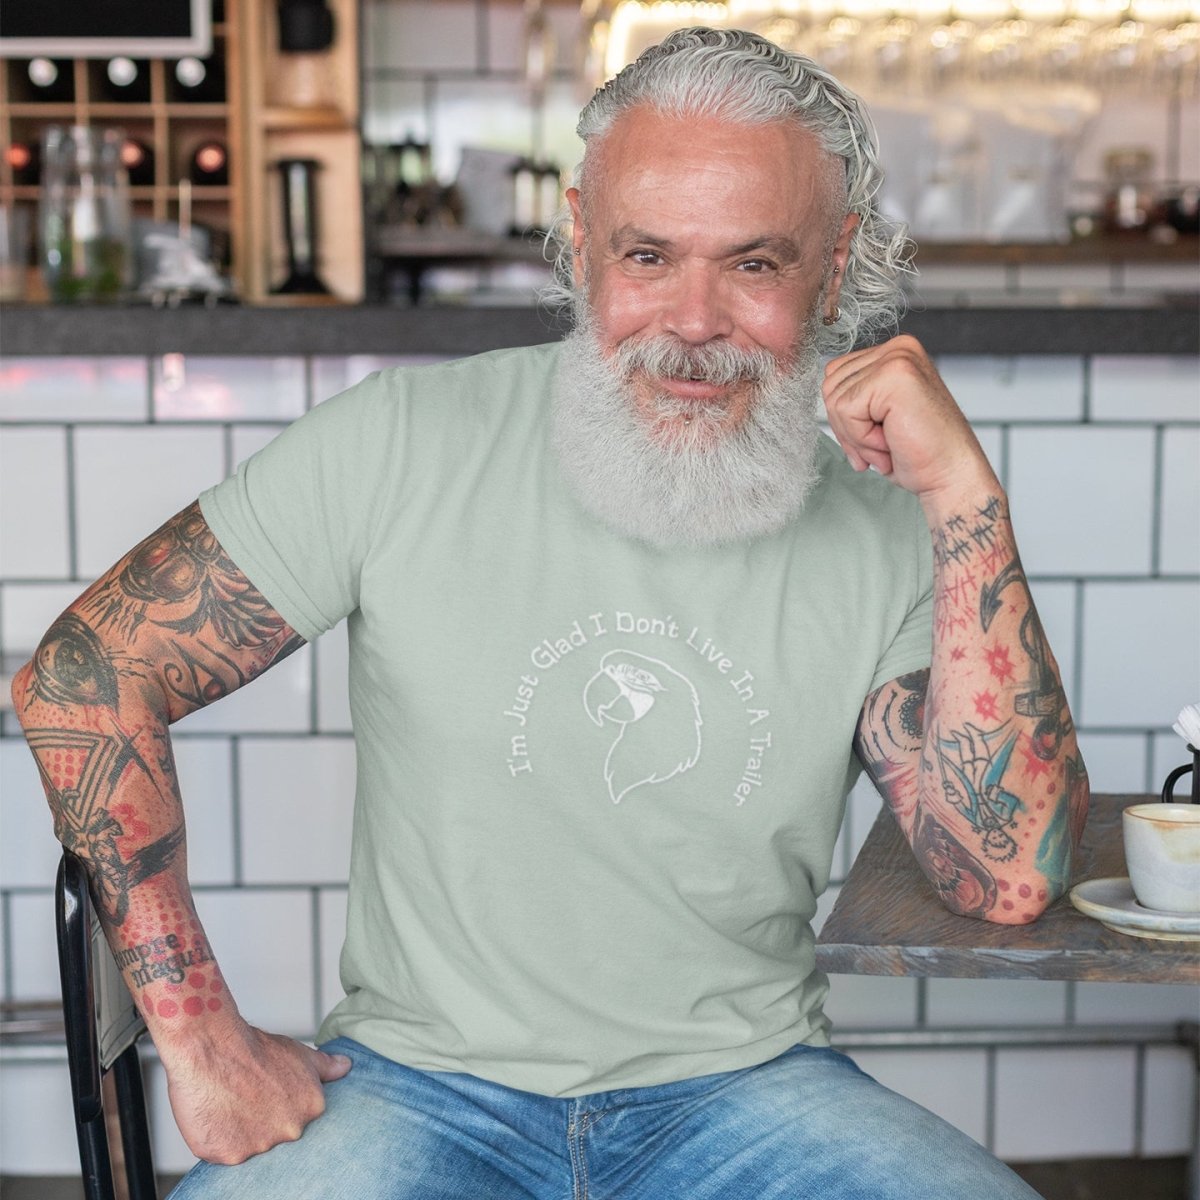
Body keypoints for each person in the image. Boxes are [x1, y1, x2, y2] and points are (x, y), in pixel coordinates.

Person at [12, 27, 1087, 1200]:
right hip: (414, 1090)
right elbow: (85, 672)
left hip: (750, 1092)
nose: (693, 320)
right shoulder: (401, 442)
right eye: (647, 255)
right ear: (581, 242)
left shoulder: (886, 520)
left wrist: (964, 492)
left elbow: (1004, 879)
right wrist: (201, 1038)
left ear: (832, 272)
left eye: (754, 264)